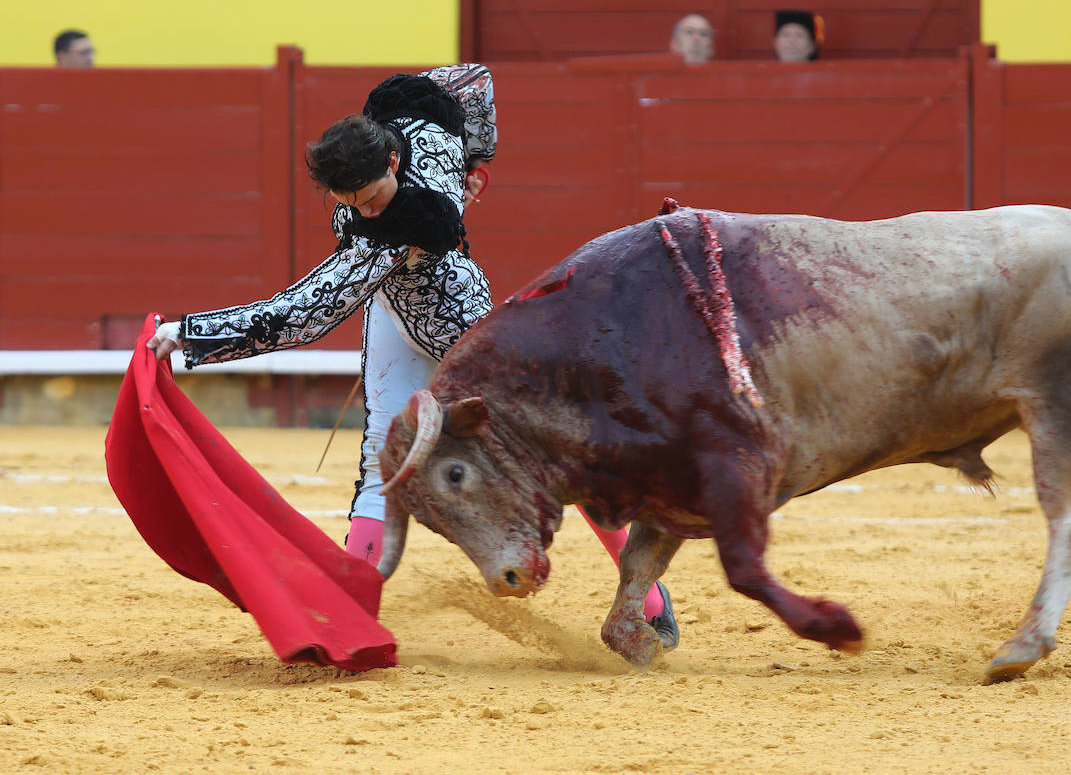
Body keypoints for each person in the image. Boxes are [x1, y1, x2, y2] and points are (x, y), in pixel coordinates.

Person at [146, 64, 678, 645]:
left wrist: (193, 334)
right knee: (381, 461)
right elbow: (468, 81)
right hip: (395, 320)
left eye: (372, 198)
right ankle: (350, 613)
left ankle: (645, 596)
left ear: (393, 163)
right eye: (349, 203)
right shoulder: (419, 134)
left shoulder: (390, 229)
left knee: (557, 452)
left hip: (462, 326)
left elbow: (305, 313)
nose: (365, 213)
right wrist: (475, 160)